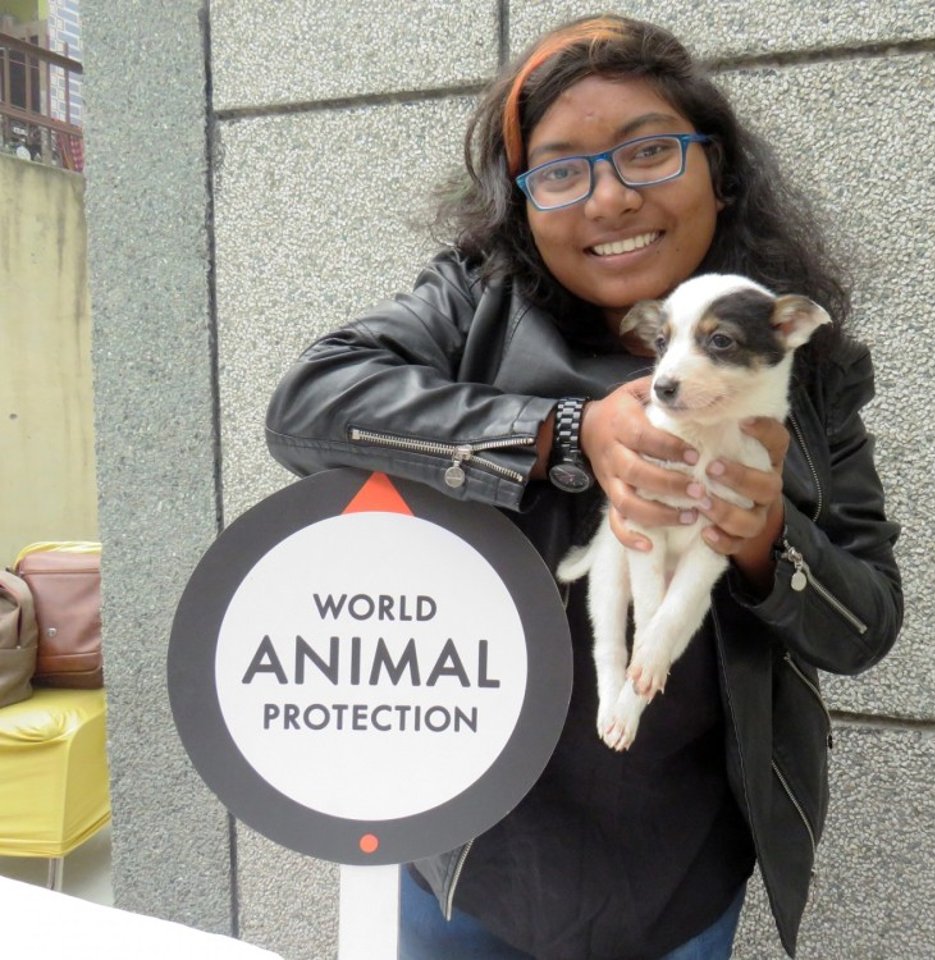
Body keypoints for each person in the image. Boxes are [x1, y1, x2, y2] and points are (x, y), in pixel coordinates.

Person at [265, 14, 902, 960]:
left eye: (648, 151)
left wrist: (767, 539)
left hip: (683, 859)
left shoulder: (806, 370)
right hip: (471, 843)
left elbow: (867, 623)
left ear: (716, 171)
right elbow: (307, 407)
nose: (607, 199)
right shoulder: (469, 305)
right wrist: (561, 434)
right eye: (560, 169)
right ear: (523, 203)